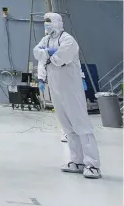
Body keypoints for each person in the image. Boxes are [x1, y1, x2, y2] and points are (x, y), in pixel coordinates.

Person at [34, 12, 101, 179]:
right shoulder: (46, 40)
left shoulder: (68, 40)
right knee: (67, 126)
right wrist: (49, 53)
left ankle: (92, 164)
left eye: (49, 21)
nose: (47, 24)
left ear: (57, 22)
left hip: (71, 88)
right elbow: (37, 53)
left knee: (81, 125)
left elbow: (59, 59)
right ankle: (76, 161)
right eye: (45, 21)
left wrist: (48, 54)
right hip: (56, 88)